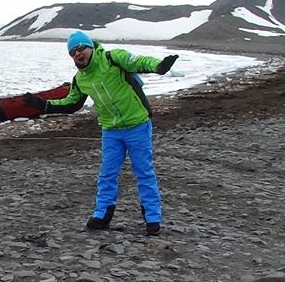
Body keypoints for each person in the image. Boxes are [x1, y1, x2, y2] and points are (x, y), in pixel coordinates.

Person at [24, 31, 178, 236]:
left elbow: (139, 62)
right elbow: (72, 103)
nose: (77, 53)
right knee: (107, 174)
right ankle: (102, 215)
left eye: (81, 48)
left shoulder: (113, 58)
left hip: (137, 125)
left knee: (144, 172)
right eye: (72, 51)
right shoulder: (80, 79)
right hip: (110, 131)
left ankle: (152, 218)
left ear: (90, 47)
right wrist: (44, 105)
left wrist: (159, 67)